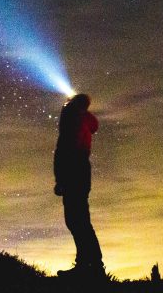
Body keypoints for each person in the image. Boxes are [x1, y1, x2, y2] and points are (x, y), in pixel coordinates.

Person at [53, 93, 105, 279]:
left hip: (73, 171)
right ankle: (89, 265)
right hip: (79, 172)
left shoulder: (73, 118)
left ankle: (90, 267)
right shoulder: (81, 120)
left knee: (77, 220)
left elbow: (64, 150)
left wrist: (61, 178)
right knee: (78, 220)